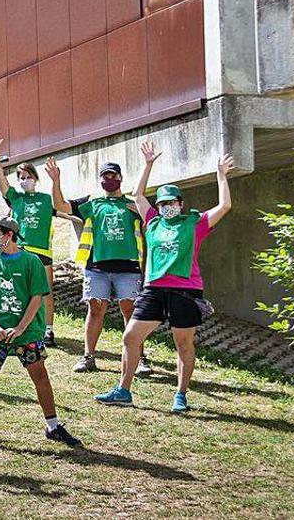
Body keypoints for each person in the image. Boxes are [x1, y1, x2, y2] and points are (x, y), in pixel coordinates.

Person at [95, 150, 234, 413]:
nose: (166, 207)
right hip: (154, 290)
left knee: (183, 343)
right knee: (130, 337)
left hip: (186, 291)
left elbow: (225, 206)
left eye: (171, 202)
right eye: (162, 203)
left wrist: (220, 176)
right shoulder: (153, 223)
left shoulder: (195, 224)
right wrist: (147, 165)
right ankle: (123, 390)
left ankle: (181, 395)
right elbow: (137, 196)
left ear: (180, 204)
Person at [0, 216, 82, 450]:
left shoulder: (31, 262)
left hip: (25, 332)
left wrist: (21, 328)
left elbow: (38, 298)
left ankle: (53, 426)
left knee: (40, 376)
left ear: (9, 235)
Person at [48, 157, 147, 373]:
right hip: (97, 267)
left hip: (128, 267)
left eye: (113, 176)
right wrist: (56, 181)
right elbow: (61, 206)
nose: (109, 179)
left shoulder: (132, 204)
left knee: (130, 311)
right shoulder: (92, 202)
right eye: (105, 176)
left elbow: (151, 218)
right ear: (100, 179)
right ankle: (88, 357)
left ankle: (139, 359)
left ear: (120, 178)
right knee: (95, 309)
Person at [0, 132, 59, 346]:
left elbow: (60, 202)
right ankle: (24, 327)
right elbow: (2, 182)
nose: (25, 181)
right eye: (21, 178)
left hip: (43, 252)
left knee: (45, 291)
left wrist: (56, 180)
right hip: (22, 250)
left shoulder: (46, 199)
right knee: (23, 291)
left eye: (28, 177)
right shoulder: (15, 199)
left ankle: (49, 330)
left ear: (35, 179)